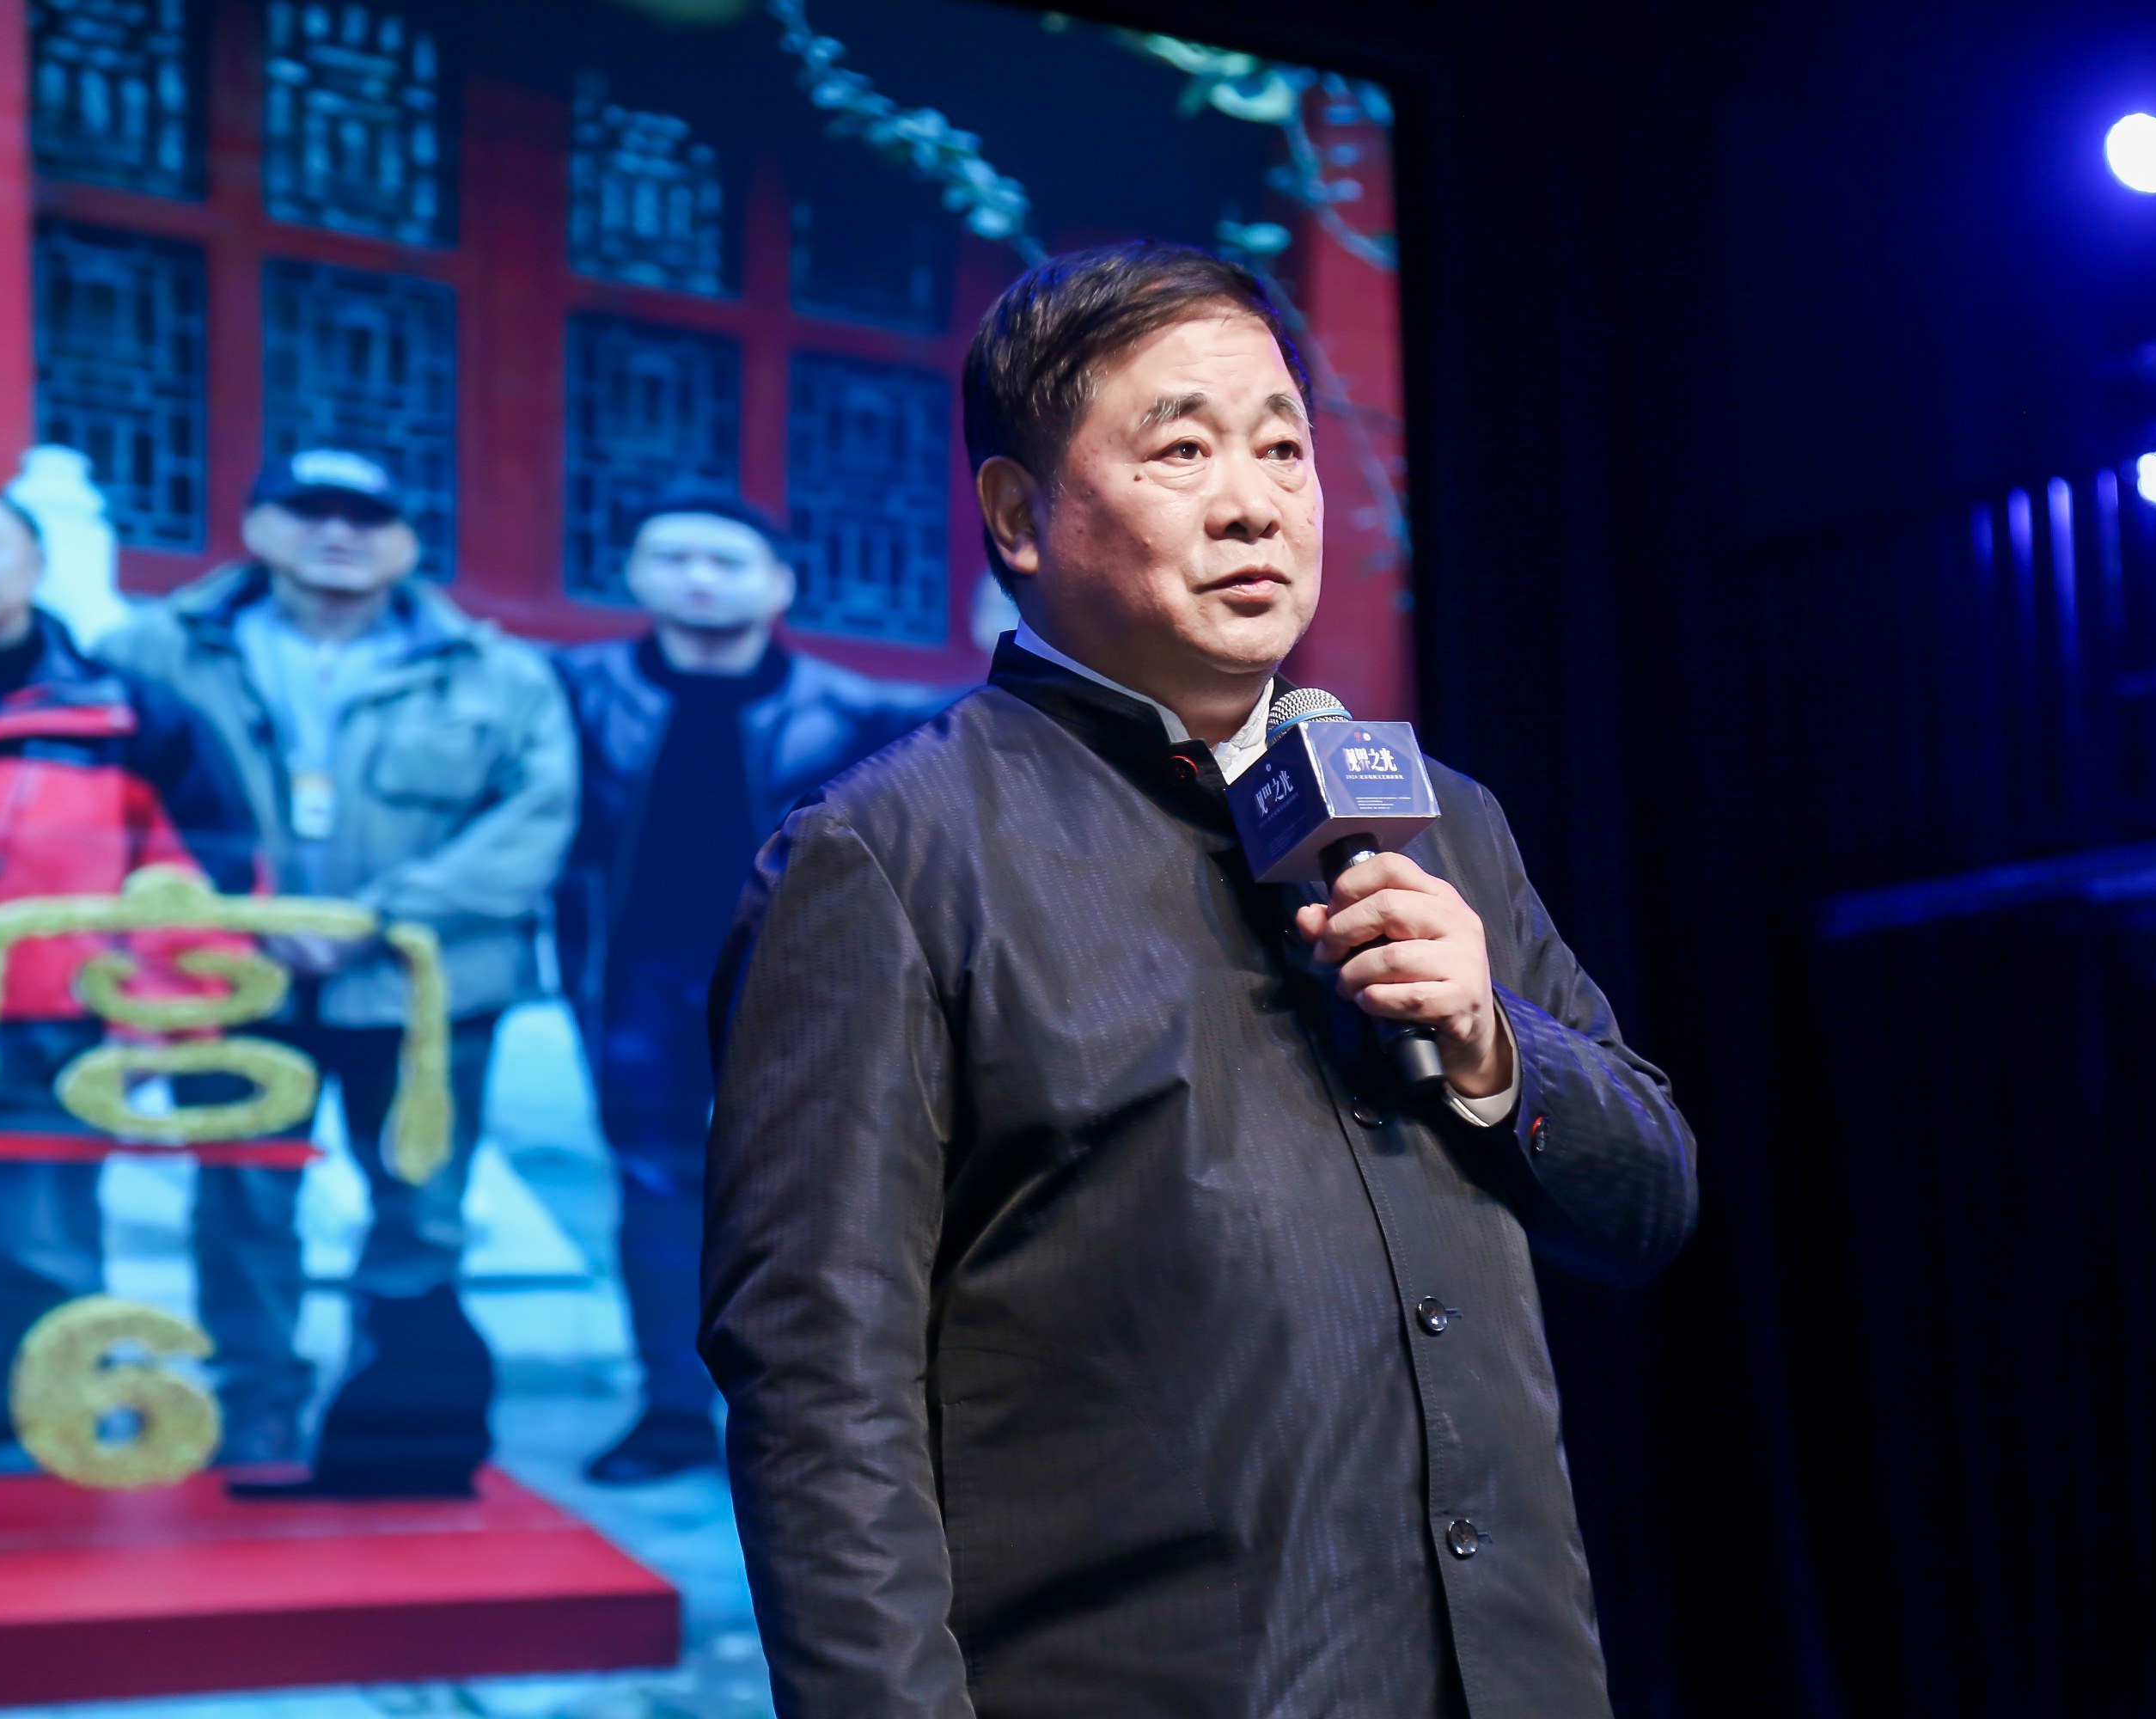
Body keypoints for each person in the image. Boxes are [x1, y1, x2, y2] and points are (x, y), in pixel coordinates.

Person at [701, 242, 1699, 1716]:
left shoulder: (1440, 820)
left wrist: (1495, 1046)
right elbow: (819, 1400)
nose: (1255, 502)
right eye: (1183, 450)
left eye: (1283, 449)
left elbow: (1651, 1201)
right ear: (1017, 515)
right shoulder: (884, 860)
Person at [99, 450, 577, 1482]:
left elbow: (535, 819)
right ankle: (253, 1411)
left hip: (426, 991)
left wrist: (379, 917)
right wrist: (225, 916)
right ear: (256, 525)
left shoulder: (495, 672)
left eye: (366, 516)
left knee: (421, 1204)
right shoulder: (152, 649)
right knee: (241, 1200)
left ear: (408, 539)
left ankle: (392, 1415)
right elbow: (108, 804)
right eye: (308, 509)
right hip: (230, 979)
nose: (338, 533)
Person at [554, 493, 949, 1484]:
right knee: (654, 1188)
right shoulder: (574, 691)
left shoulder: (857, 709)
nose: (699, 578)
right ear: (634, 573)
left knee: (818, 1190)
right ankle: (670, 1408)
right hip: (634, 983)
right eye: (675, 556)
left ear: (780, 585)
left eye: (726, 561)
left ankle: (808, 1412)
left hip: (804, 983)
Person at [0, 481, 255, 1471]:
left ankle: (23, 1437)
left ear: (38, 564)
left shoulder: (128, 714)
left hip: (50, 1027)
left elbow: (205, 876)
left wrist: (165, 1012)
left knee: (43, 1245)